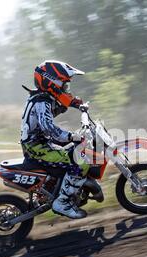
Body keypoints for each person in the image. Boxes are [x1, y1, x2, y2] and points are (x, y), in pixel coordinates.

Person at [20, 60, 90, 219]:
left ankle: (66, 191)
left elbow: (62, 102)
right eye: (64, 84)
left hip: (41, 143)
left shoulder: (43, 97)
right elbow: (48, 128)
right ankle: (63, 202)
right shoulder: (42, 101)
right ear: (51, 82)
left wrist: (77, 105)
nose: (66, 88)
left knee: (74, 152)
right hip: (36, 147)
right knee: (80, 162)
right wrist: (71, 136)